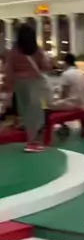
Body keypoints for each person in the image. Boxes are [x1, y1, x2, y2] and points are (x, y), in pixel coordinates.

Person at [2, 23, 50, 151]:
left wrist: (7, 86)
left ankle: (31, 141)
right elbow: (45, 66)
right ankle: (34, 142)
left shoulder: (14, 51)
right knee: (36, 113)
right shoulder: (37, 50)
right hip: (34, 82)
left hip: (19, 84)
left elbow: (8, 70)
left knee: (26, 114)